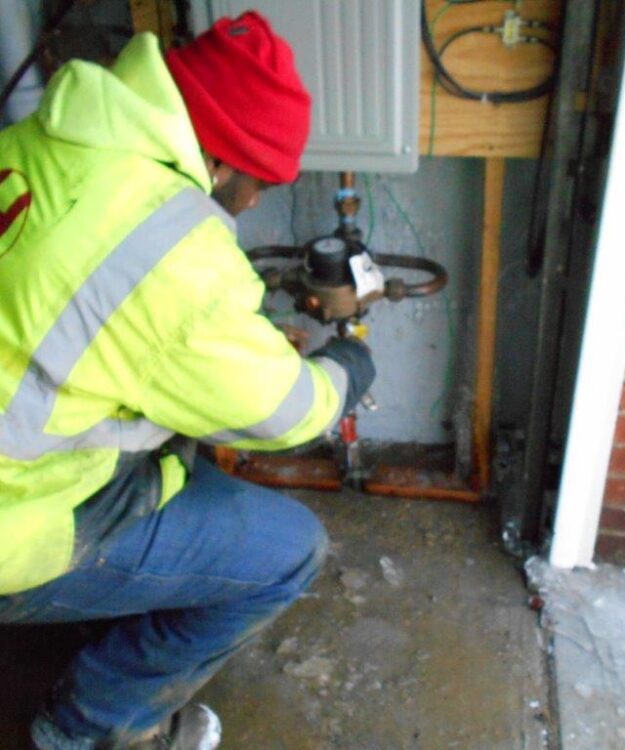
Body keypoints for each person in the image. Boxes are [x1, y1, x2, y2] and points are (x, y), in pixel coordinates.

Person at [0, 11, 375, 750]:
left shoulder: (48, 135)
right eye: (259, 182)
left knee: (180, 456)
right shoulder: (172, 253)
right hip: (15, 524)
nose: (256, 201)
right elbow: (287, 411)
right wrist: (348, 367)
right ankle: (83, 728)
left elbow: (78, 318)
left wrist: (228, 339)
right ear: (221, 159)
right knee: (287, 551)